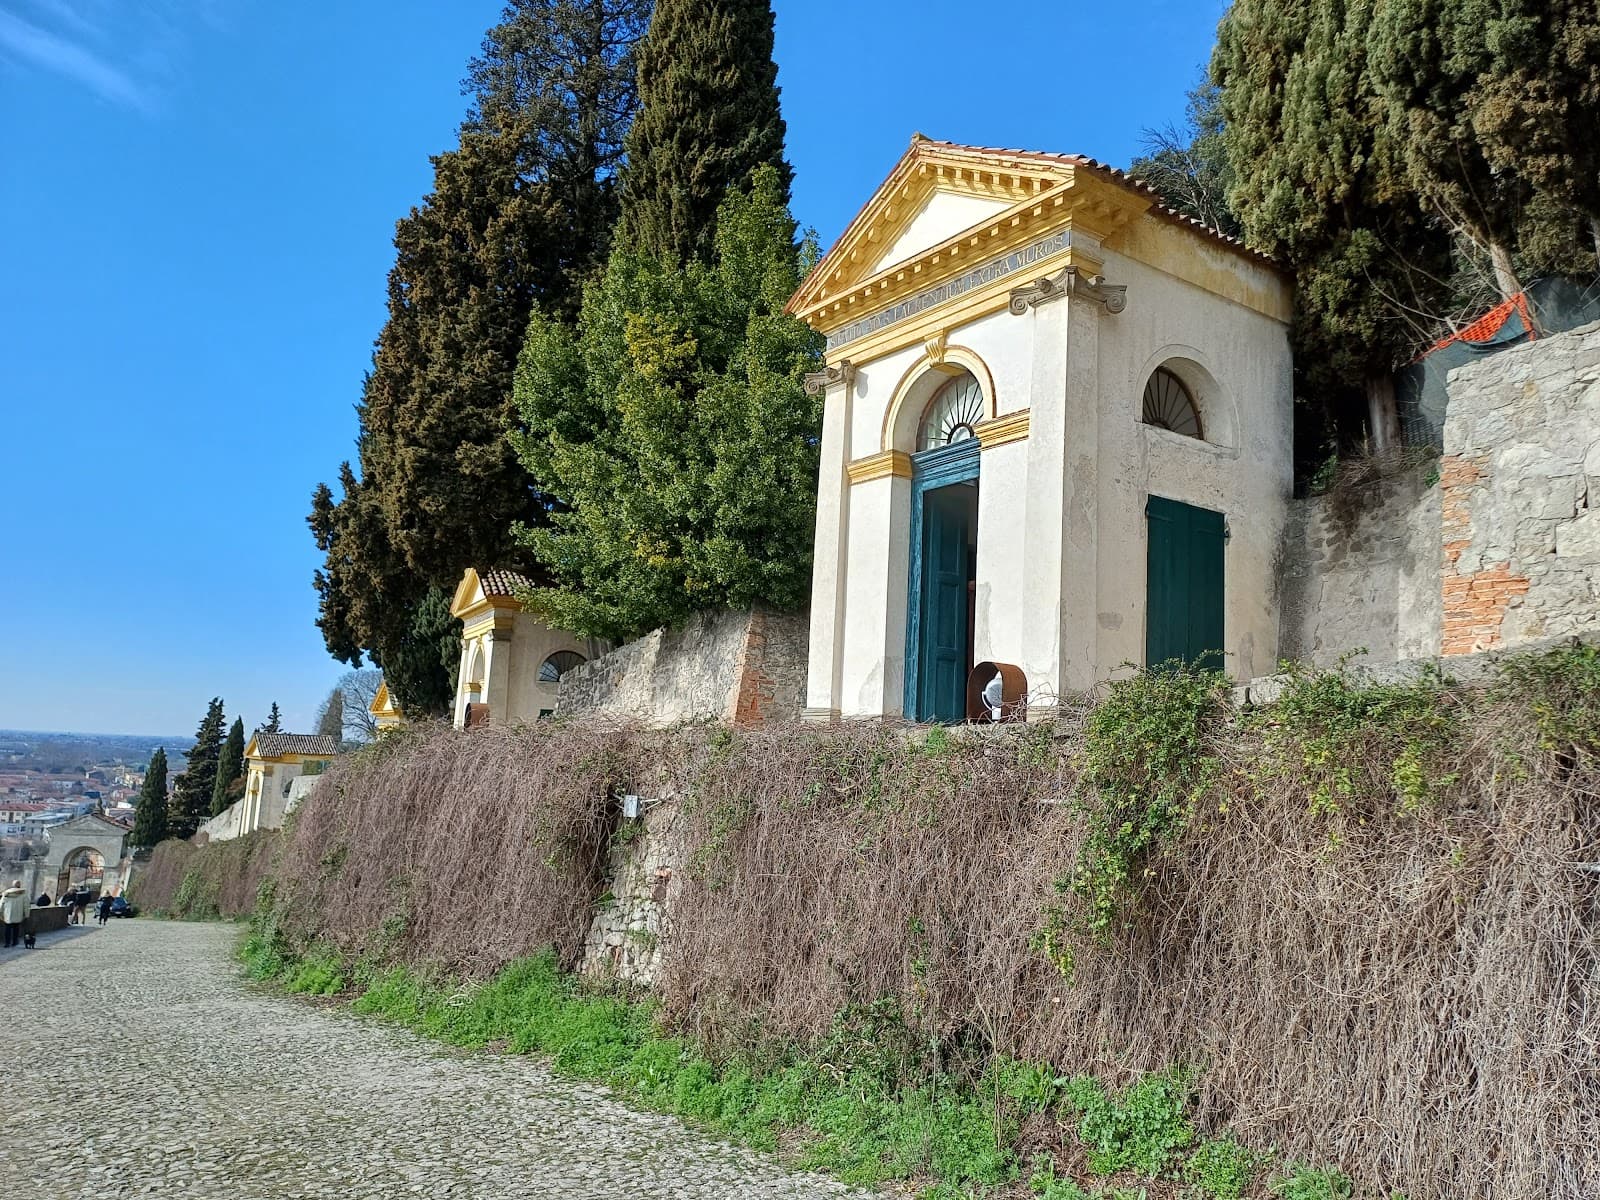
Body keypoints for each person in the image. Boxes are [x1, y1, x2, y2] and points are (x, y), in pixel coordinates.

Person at [1, 879, 28, 949]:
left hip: (8, 914)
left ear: (13, 885)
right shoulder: (23, 894)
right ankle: (15, 942)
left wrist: (0, 913)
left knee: (7, 929)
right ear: (19, 885)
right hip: (18, 914)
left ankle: (7, 943)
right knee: (16, 928)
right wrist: (26, 914)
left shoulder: (6, 893)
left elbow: (1, 904)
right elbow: (26, 905)